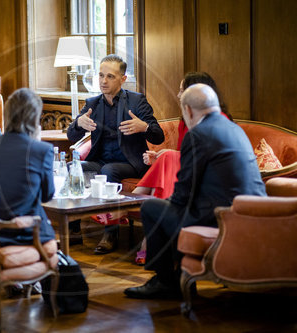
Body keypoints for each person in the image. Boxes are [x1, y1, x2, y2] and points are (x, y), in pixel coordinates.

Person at [124, 83, 266, 299]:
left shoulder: (198, 134)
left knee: (152, 207)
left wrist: (169, 203)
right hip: (250, 213)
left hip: (218, 217)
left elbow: (184, 191)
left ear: (188, 110)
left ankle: (165, 281)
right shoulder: (234, 129)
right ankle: (179, 274)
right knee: (169, 209)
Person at [95, 72, 232, 265]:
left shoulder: (217, 123)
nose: (177, 95)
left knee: (168, 157)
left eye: (181, 90)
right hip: (189, 171)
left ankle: (126, 207)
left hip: (210, 183)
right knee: (167, 158)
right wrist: (160, 157)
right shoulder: (188, 121)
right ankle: (143, 235)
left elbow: (202, 161)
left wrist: (167, 155)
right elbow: (186, 157)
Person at [67, 54, 164, 255]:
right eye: (101, 75)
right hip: (100, 160)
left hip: (130, 162)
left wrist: (143, 126)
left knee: (108, 171)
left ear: (123, 78)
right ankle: (74, 229)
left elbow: (158, 136)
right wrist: (78, 124)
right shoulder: (92, 103)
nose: (103, 81)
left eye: (110, 76)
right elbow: (71, 134)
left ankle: (110, 234)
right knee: (73, 168)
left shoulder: (137, 101)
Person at [0, 88, 56, 248]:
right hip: (22, 234)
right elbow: (47, 196)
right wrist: (35, 141)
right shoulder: (41, 150)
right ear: (34, 119)